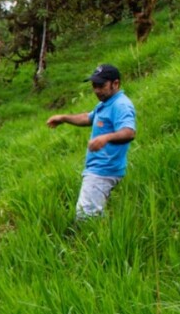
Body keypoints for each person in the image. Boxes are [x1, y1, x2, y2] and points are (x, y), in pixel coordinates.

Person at [46, 64, 137, 220]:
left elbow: (129, 132)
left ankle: (89, 243)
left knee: (86, 217)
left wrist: (105, 137)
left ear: (115, 84)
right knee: (94, 215)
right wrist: (63, 118)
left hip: (104, 171)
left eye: (101, 86)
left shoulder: (121, 105)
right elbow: (88, 118)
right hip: (98, 169)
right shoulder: (105, 103)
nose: (96, 90)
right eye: (94, 86)